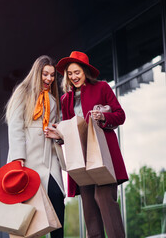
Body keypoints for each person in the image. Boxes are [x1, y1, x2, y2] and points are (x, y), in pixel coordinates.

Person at [45, 51, 128, 238]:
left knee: (105, 200)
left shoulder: (102, 88)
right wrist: (58, 135)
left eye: (77, 72)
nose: (74, 77)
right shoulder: (66, 99)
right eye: (70, 73)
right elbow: (68, 131)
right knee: (90, 211)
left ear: (85, 72)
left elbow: (120, 115)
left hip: (102, 155)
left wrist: (103, 117)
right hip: (80, 160)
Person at [5, 55, 66, 238]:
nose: (49, 79)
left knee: (57, 199)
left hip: (49, 160)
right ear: (37, 73)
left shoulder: (53, 100)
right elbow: (15, 126)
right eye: (45, 74)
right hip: (28, 160)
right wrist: (18, 160)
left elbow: (58, 126)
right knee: (29, 212)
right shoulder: (22, 92)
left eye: (52, 75)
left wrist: (59, 135)